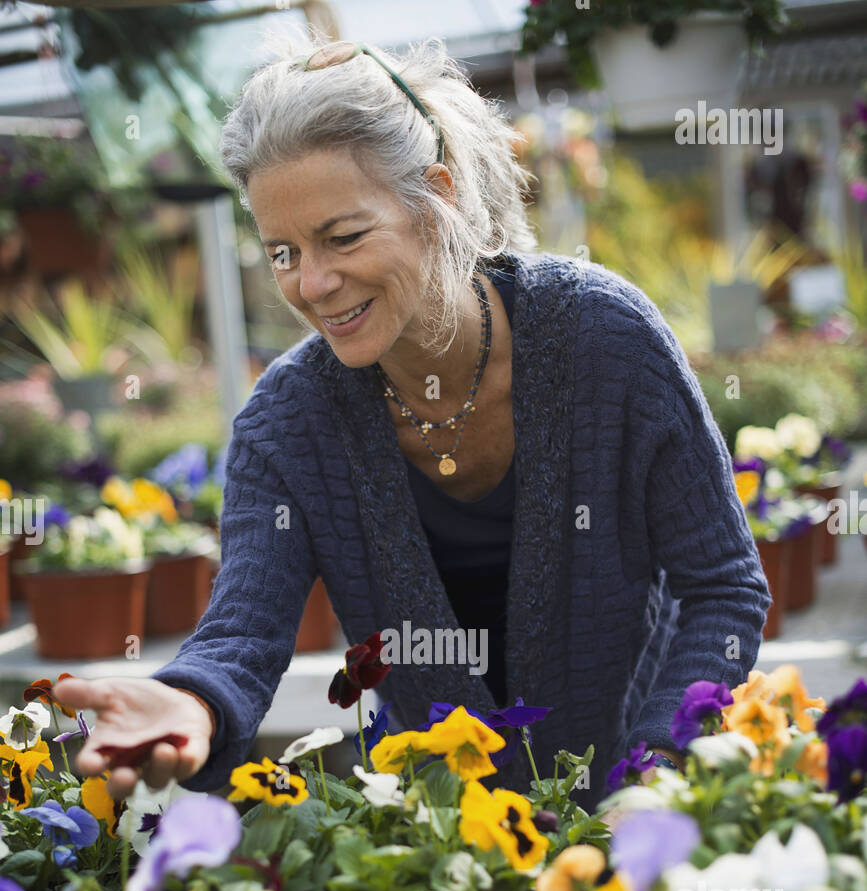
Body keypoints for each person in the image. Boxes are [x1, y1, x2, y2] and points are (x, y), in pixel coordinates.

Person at [55, 36, 771, 813]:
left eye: (343, 236)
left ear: (438, 197)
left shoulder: (605, 340)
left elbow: (721, 588)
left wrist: (656, 768)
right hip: (437, 837)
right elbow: (243, 631)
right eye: (282, 251)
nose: (313, 283)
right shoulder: (288, 423)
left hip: (641, 816)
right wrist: (189, 701)